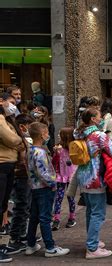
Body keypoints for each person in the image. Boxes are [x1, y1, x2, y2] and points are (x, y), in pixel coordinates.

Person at [74, 108, 112, 259]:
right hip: (97, 177)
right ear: (94, 119)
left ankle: (92, 241)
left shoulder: (80, 134)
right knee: (98, 213)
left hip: (84, 176)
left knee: (90, 211)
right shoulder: (99, 135)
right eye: (99, 116)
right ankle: (92, 248)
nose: (101, 118)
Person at [25, 122, 70, 257]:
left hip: (35, 187)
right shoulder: (39, 152)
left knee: (34, 217)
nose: (48, 135)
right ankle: (50, 247)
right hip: (44, 188)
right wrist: (53, 183)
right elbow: (43, 173)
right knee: (45, 218)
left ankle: (31, 244)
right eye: (46, 133)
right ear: (41, 135)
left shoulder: (31, 150)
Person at [6, 114, 34, 255]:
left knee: (25, 206)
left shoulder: (21, 139)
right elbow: (23, 158)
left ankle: (22, 233)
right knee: (21, 206)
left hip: (24, 176)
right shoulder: (18, 140)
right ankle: (15, 237)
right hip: (21, 176)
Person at [0, 97, 23, 262]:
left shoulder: (7, 119)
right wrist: (18, 142)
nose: (12, 105)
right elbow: (14, 139)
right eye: (8, 101)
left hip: (8, 163)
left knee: (3, 206)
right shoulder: (1, 119)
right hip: (2, 164)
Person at [51, 127, 77, 231]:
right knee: (59, 197)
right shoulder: (58, 148)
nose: (58, 135)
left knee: (70, 197)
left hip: (71, 176)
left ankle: (72, 217)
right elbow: (54, 162)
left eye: (60, 134)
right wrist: (56, 154)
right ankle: (56, 219)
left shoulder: (74, 147)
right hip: (61, 176)